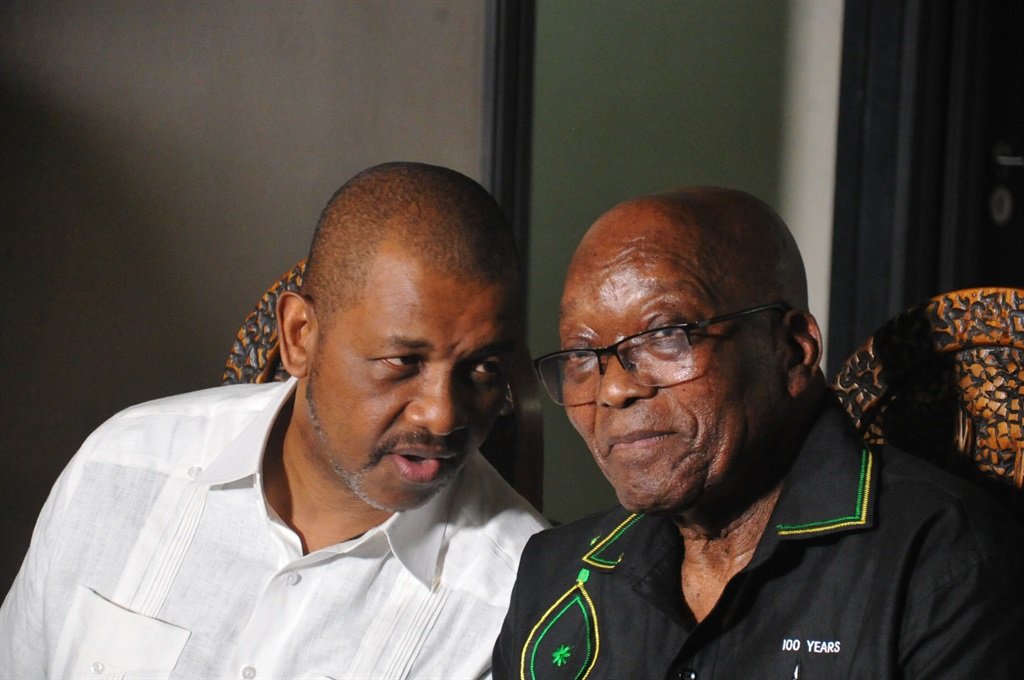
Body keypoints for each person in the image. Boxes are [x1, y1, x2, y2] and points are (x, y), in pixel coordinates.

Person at [1, 162, 547, 679]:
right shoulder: (120, 467)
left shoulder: (522, 607)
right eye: (402, 362)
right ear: (299, 336)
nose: (442, 415)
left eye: (483, 369)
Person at [493, 186, 1024, 679]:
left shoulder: (944, 559)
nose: (612, 390)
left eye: (665, 335)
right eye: (581, 355)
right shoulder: (555, 572)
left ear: (793, 351)